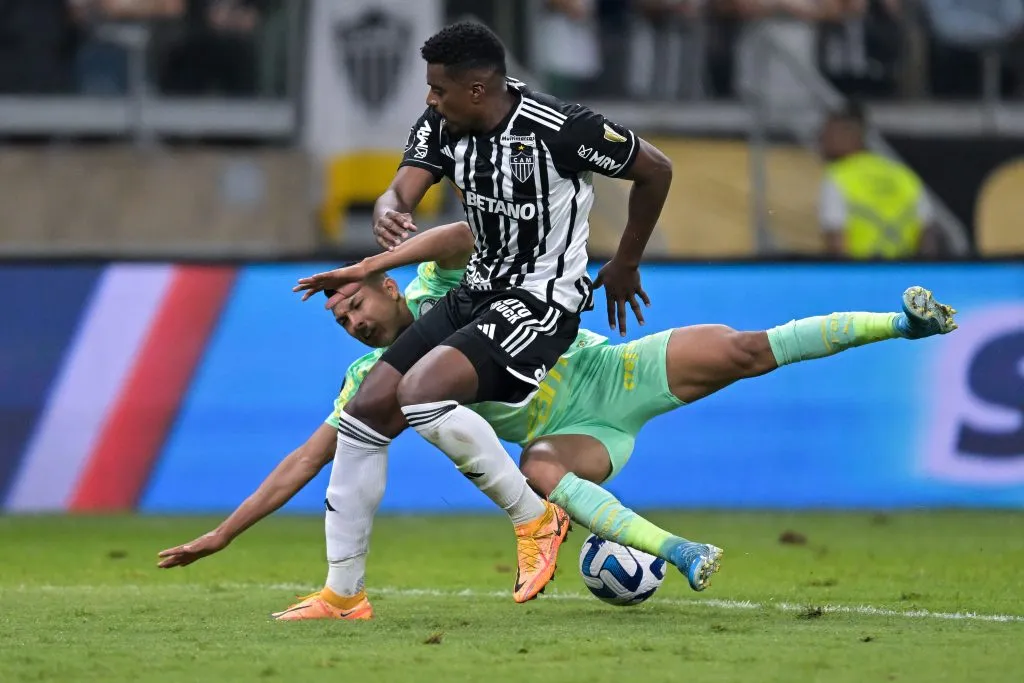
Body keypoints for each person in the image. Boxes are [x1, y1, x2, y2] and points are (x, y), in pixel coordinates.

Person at [157, 221, 959, 621]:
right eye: (341, 321)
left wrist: (377, 257)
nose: (354, 321)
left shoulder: (443, 283)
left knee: (749, 347)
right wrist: (223, 534)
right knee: (545, 470)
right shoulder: (378, 380)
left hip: (616, 371)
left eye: (355, 303)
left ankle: (904, 322)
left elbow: (475, 231)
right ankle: (675, 550)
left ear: (389, 287)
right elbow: (306, 458)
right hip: (576, 433)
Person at [295, 19, 674, 612]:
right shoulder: (443, 126)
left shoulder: (564, 130)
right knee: (368, 410)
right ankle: (343, 595)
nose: (429, 99)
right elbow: (400, 190)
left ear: (477, 89)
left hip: (541, 301)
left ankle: (535, 520)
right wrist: (389, 209)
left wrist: (625, 263)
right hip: (477, 292)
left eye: (438, 88)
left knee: (421, 394)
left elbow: (655, 168)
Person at [818, 102, 941, 259]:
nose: (821, 142)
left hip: (861, 274)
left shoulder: (838, 177)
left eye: (827, 135)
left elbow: (836, 241)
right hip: (905, 273)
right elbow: (928, 235)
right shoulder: (902, 173)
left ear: (850, 135)